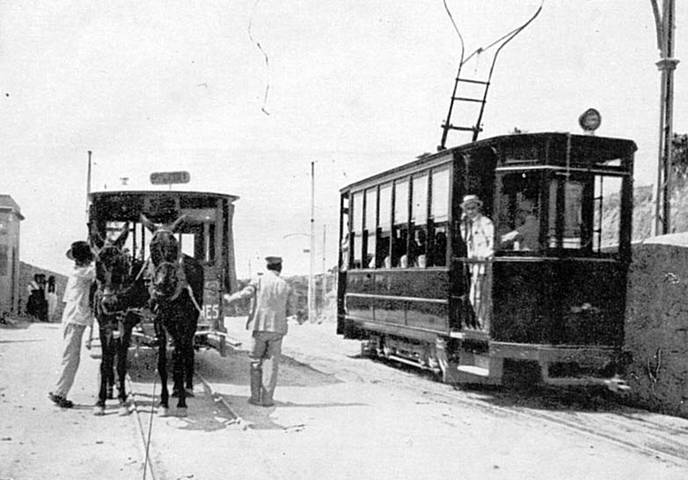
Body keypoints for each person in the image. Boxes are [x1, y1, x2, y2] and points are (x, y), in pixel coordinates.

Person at [223, 256, 300, 407]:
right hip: (277, 329)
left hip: (259, 327)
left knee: (256, 361)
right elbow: (291, 310)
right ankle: (267, 399)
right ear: (280, 268)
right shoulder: (286, 285)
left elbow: (245, 294)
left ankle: (255, 397)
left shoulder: (258, 281)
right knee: (271, 364)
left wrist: (229, 298)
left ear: (267, 267)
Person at [48, 241, 95, 409]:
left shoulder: (79, 271)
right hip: (75, 318)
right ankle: (59, 393)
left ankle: (60, 391)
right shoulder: (83, 272)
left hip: (74, 318)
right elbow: (99, 270)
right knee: (71, 357)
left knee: (70, 356)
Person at [459, 194, 494, 328]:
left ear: (478, 208)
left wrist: (486, 256)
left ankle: (486, 326)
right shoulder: (469, 224)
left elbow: (492, 241)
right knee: (476, 298)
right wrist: (463, 224)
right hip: (475, 267)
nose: (470, 211)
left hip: (483, 266)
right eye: (467, 209)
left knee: (479, 298)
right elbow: (466, 239)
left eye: (473, 208)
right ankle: (484, 325)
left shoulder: (485, 222)